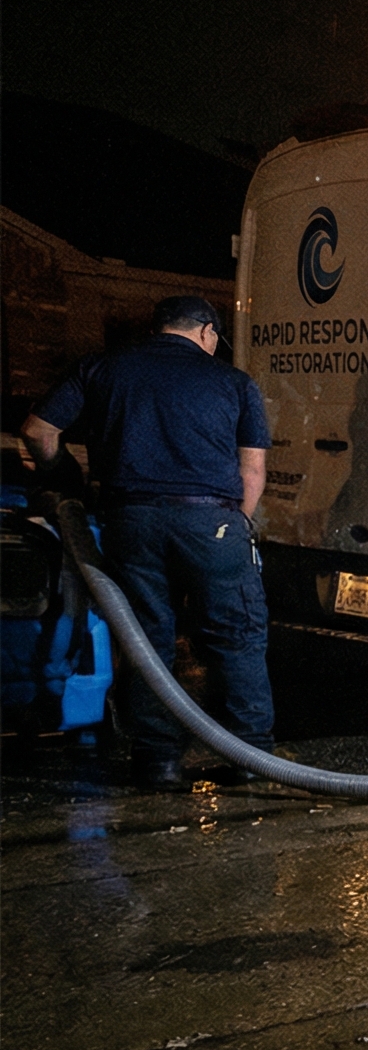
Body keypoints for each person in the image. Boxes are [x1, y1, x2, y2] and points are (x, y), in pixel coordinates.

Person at [21, 295, 274, 788]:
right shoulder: (233, 382)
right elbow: (253, 470)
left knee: (145, 640)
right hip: (212, 521)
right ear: (206, 332)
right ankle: (251, 759)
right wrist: (234, 527)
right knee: (236, 638)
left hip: (129, 520)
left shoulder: (101, 367)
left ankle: (157, 760)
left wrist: (63, 475)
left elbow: (38, 431)